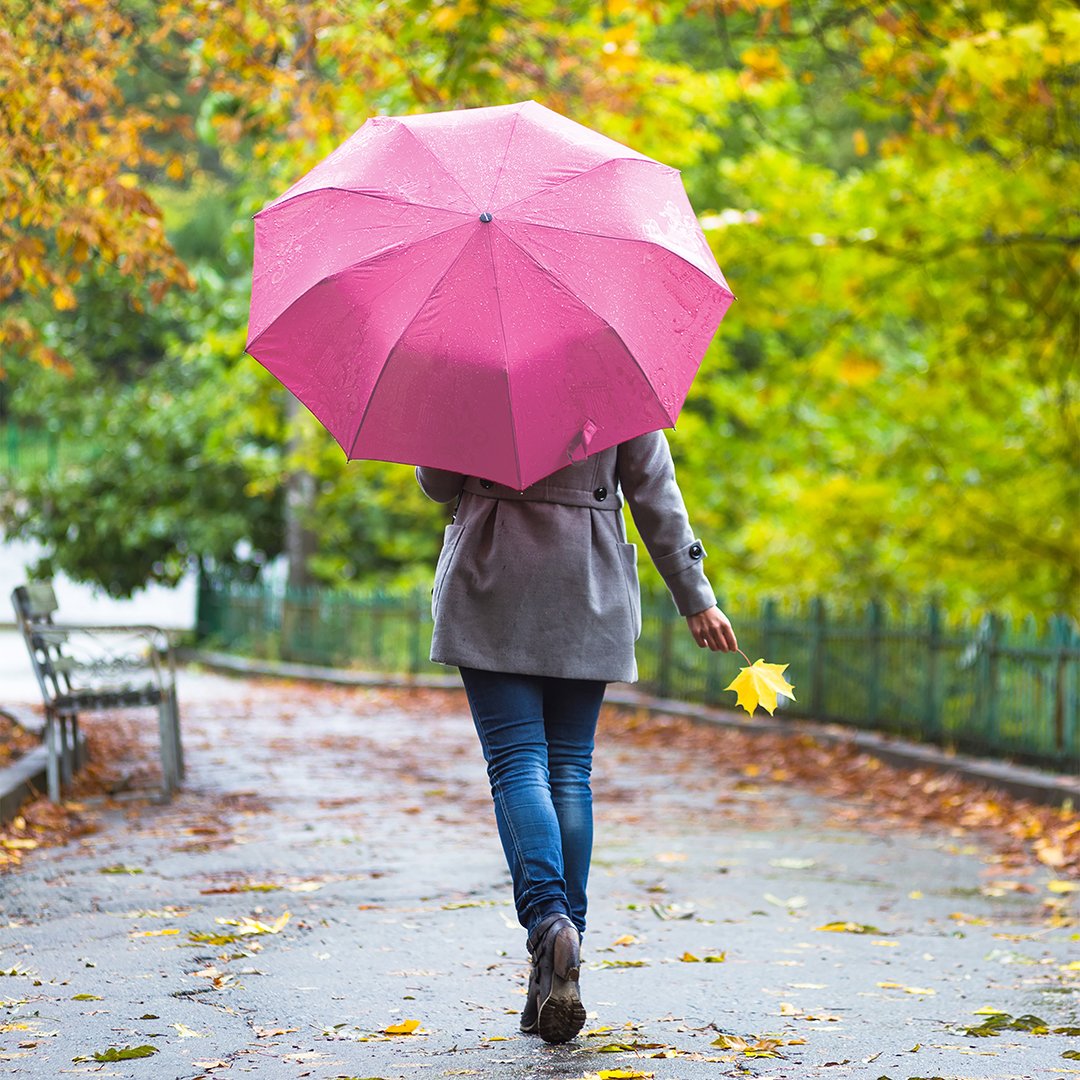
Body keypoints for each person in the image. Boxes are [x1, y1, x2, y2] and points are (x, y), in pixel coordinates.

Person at [416, 429, 737, 1044]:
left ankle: (549, 924)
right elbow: (654, 491)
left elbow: (437, 484)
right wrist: (696, 595)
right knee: (568, 769)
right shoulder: (615, 376)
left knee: (516, 763)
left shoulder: (473, 368)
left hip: (492, 576)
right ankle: (564, 957)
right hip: (588, 584)